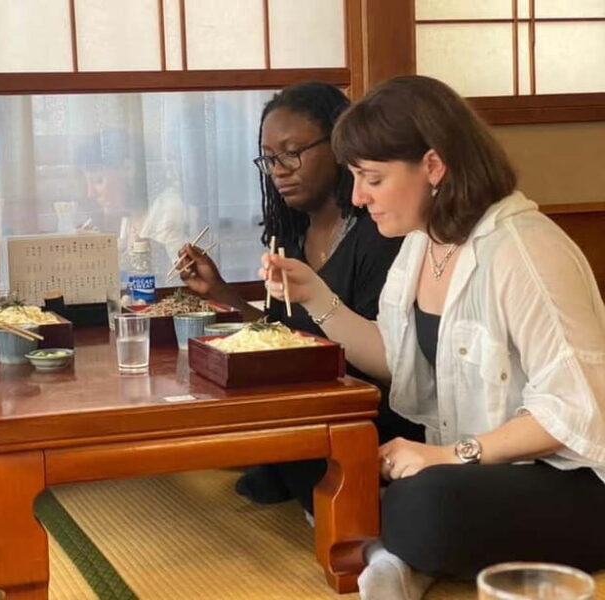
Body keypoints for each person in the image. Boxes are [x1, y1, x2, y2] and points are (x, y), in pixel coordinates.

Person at [262, 75, 605, 599]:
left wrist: (447, 456)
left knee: (427, 504)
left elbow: (572, 411)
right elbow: (394, 356)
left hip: (572, 476)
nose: (358, 197)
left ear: (433, 166)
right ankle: (401, 549)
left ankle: (396, 548)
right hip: (480, 467)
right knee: (313, 436)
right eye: (355, 177)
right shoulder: (423, 242)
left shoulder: (524, 251)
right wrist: (313, 295)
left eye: (372, 179)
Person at [176, 82, 412, 508]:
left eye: (292, 152)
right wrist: (220, 292)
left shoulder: (379, 232)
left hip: (367, 415)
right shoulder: (290, 232)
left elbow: (386, 365)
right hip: (307, 406)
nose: (279, 170)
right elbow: (282, 335)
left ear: (339, 145)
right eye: (269, 158)